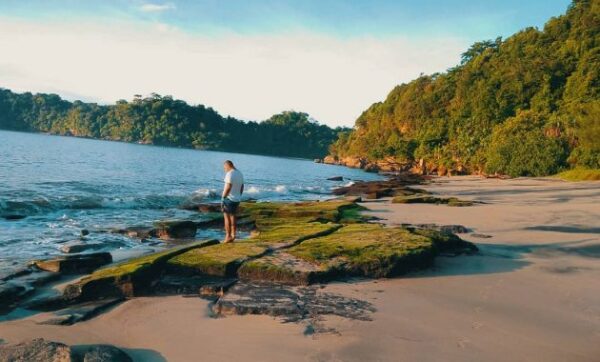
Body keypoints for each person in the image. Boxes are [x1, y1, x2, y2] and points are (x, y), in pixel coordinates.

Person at [221, 160, 244, 243]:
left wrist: (223, 197)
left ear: (228, 166)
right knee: (233, 217)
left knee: (226, 217)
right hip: (237, 199)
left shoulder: (230, 173)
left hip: (229, 199)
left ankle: (228, 236)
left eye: (224, 168)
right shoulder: (239, 173)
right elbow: (242, 186)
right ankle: (234, 235)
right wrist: (239, 196)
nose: (224, 170)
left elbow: (228, 187)